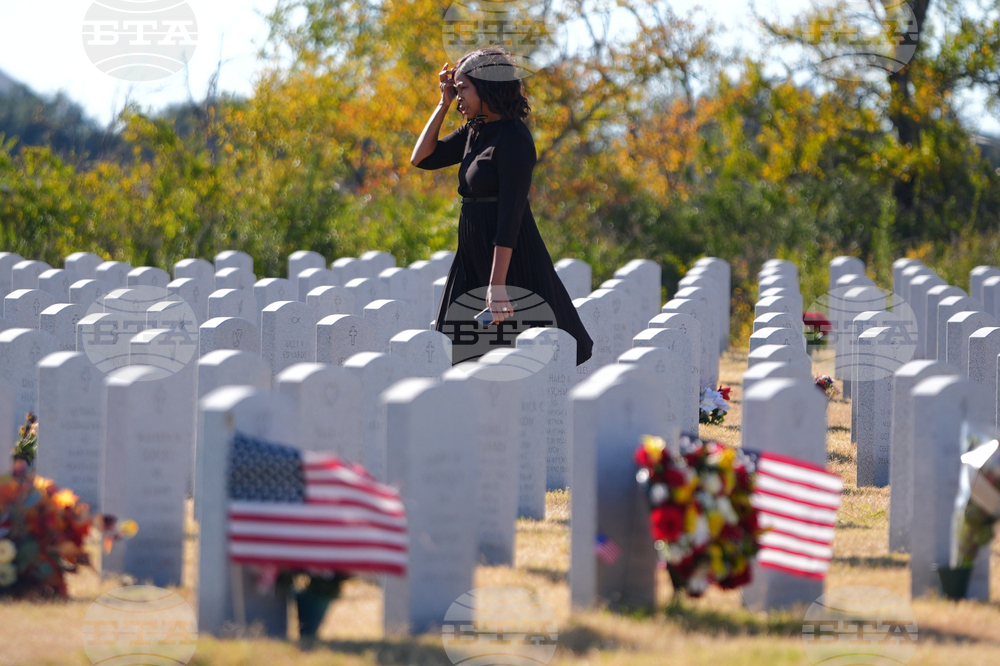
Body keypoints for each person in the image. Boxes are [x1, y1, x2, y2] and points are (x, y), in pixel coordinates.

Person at [410, 46, 594, 366]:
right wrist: (443, 101)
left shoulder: (515, 138)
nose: (459, 97)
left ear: (487, 87)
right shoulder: (475, 131)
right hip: (471, 253)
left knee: (521, 356)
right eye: (457, 88)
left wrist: (498, 286)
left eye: (464, 88)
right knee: (457, 349)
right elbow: (421, 158)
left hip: (510, 257)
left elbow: (510, 217)